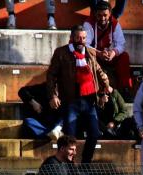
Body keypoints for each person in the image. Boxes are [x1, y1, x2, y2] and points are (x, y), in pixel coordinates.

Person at [46, 24, 111, 163]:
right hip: (71, 101)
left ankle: (86, 163)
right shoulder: (61, 53)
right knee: (70, 138)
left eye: (83, 38)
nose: (81, 41)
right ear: (72, 38)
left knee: (94, 133)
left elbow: (99, 72)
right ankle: (69, 166)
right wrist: (53, 95)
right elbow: (51, 75)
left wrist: (105, 90)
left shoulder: (89, 53)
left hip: (89, 101)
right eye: (78, 38)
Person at [83, 1, 132, 93]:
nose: (102, 18)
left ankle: (125, 88)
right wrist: (99, 53)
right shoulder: (88, 24)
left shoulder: (114, 23)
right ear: (95, 14)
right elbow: (85, 45)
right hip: (95, 55)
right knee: (86, 58)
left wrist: (113, 52)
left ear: (110, 14)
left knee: (124, 56)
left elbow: (121, 44)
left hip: (109, 55)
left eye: (105, 15)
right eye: (99, 15)